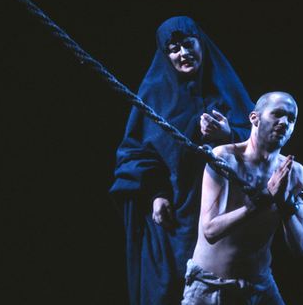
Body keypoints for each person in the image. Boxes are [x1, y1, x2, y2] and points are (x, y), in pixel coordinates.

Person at [109, 16, 255, 305]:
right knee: (174, 289)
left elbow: (259, 139)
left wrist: (228, 133)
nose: (183, 53)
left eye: (188, 44)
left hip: (225, 212)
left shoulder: (227, 88)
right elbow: (134, 153)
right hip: (178, 216)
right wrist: (156, 194)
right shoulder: (154, 94)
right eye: (174, 49)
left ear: (201, 44)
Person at [182, 91, 303, 305]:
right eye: (277, 114)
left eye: (291, 119)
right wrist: (266, 198)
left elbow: (300, 247)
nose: (284, 122)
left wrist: (285, 203)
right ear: (254, 118)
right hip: (209, 288)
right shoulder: (224, 158)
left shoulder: (294, 172)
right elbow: (211, 231)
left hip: (260, 286)